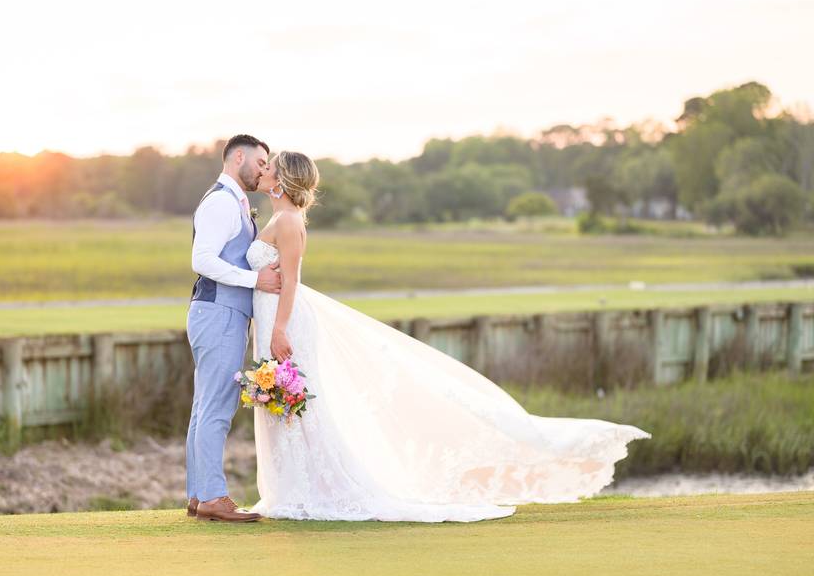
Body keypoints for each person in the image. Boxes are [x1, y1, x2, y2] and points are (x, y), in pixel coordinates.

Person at [245, 150, 651, 522]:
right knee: (290, 405)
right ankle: (296, 490)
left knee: (301, 404)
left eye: (270, 167)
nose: (263, 172)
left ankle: (315, 491)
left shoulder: (288, 221)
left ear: (282, 181)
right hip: (273, 318)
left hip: (286, 321)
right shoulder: (279, 218)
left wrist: (280, 329)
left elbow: (292, 281)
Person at [184, 134, 280, 522]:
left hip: (220, 314)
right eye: (260, 163)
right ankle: (211, 497)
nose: (263, 171)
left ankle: (197, 494)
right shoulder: (222, 202)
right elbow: (202, 260)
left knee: (204, 407)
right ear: (237, 156)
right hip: (218, 314)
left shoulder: (235, 203)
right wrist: (254, 281)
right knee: (216, 407)